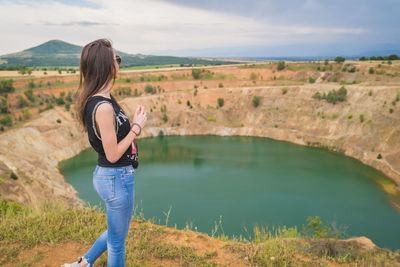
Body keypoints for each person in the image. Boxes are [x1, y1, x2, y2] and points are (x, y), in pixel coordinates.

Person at [62, 38, 147, 267]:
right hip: (116, 177)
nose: (119, 63)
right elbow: (113, 154)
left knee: (114, 232)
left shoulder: (100, 98)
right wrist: (137, 126)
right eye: (116, 59)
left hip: (110, 176)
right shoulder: (103, 106)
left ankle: (83, 263)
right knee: (118, 243)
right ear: (106, 66)